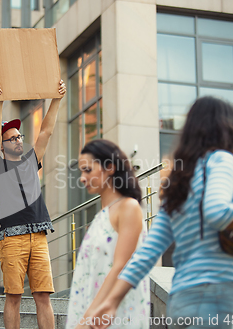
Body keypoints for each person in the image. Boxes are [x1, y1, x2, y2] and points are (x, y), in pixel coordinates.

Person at [89, 96, 233, 329]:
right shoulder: (221, 159)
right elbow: (217, 213)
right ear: (228, 128)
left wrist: (112, 300)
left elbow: (148, 252)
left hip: (180, 301)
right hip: (214, 292)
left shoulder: (178, 181)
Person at [0, 78, 66, 329]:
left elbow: (46, 131)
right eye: (12, 138)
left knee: (43, 297)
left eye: (19, 136)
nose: (19, 140)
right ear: (2, 145)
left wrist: (57, 99)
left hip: (39, 236)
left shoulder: (32, 160)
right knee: (14, 297)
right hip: (12, 240)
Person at [66, 139, 150, 329]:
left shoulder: (128, 207)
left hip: (111, 315)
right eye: (81, 171)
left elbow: (121, 265)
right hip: (92, 311)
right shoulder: (100, 217)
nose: (82, 177)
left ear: (110, 168)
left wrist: (86, 321)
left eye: (87, 170)